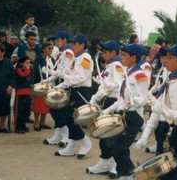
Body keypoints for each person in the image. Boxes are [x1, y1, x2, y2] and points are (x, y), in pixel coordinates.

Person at [135, 43, 177, 180]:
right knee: (160, 174)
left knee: (172, 175)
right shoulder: (169, 80)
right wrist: (145, 136)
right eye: (166, 57)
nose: (165, 60)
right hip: (163, 129)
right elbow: (156, 112)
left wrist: (165, 111)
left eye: (171, 58)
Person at [101, 43, 149, 180]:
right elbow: (120, 100)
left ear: (133, 58)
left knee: (119, 150)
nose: (120, 57)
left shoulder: (140, 75)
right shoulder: (128, 72)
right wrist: (107, 111)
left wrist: (132, 97)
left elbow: (143, 100)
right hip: (124, 115)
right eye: (121, 54)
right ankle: (125, 176)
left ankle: (133, 176)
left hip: (134, 117)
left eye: (124, 55)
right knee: (118, 149)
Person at [51, 33, 94, 159]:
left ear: (82, 45)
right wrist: (59, 86)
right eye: (72, 43)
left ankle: (85, 142)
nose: (72, 45)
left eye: (75, 43)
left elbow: (81, 78)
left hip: (82, 91)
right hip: (74, 90)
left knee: (71, 118)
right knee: (70, 118)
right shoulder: (77, 57)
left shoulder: (86, 58)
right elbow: (71, 78)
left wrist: (65, 77)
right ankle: (71, 147)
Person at [86, 40, 124, 178]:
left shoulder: (117, 66)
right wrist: (95, 98)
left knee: (113, 135)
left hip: (116, 102)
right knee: (104, 134)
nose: (104, 54)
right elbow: (104, 88)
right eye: (103, 51)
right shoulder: (109, 66)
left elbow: (120, 86)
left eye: (106, 52)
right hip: (108, 100)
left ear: (114, 52)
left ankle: (116, 164)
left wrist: (106, 84)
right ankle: (103, 162)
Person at [42, 31, 74, 147]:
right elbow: (58, 70)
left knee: (60, 110)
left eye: (58, 40)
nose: (56, 42)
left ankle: (66, 134)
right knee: (54, 108)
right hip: (59, 82)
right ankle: (58, 133)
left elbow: (66, 71)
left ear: (65, 40)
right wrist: (47, 79)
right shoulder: (62, 53)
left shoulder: (68, 52)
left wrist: (55, 77)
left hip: (65, 83)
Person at [32, 41, 54, 131]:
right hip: (40, 83)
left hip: (49, 84)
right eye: (49, 48)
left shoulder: (52, 59)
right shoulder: (39, 58)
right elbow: (36, 71)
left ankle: (43, 121)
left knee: (46, 104)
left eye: (52, 48)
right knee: (38, 103)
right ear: (43, 49)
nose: (51, 50)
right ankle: (36, 122)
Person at [14, 56, 32, 134]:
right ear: (21, 63)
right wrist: (28, 69)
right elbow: (23, 75)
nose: (28, 64)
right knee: (20, 110)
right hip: (21, 93)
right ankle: (18, 127)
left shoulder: (29, 70)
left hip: (28, 92)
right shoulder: (19, 70)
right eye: (26, 63)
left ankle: (23, 125)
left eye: (29, 63)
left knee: (26, 110)